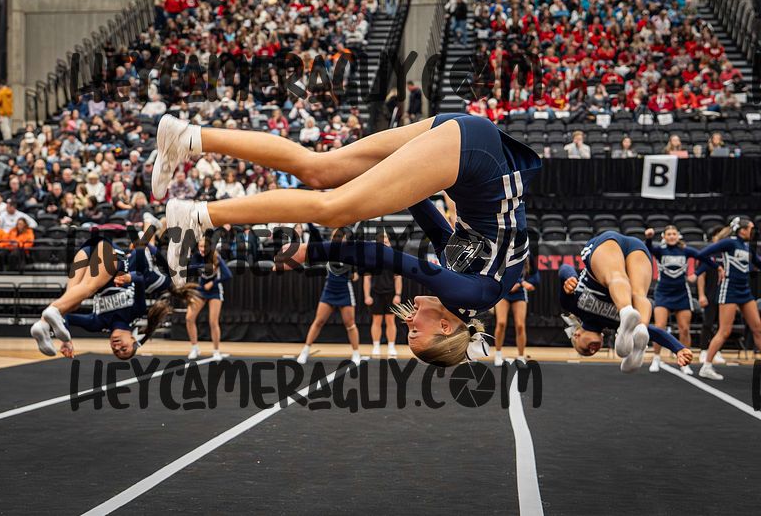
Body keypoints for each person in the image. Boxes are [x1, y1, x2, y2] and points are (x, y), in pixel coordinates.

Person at [151, 111, 542, 367]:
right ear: (444, 328)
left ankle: (188, 137)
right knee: (334, 209)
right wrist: (313, 251)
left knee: (320, 169)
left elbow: (432, 220)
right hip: (476, 158)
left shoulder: (469, 287)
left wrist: (397, 179)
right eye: (415, 331)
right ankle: (198, 217)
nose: (409, 323)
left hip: (471, 145)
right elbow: (385, 257)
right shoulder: (473, 295)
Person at [29, 233, 196, 359]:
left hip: (86, 253)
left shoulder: (98, 323)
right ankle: (50, 313)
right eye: (124, 349)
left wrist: (66, 340)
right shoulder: (136, 311)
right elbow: (139, 279)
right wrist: (130, 277)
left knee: (71, 300)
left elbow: (69, 319)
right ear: (133, 339)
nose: (117, 348)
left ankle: (42, 325)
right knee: (88, 288)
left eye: (116, 351)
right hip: (111, 257)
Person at [558, 231, 692, 372]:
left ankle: (627, 311)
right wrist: (679, 348)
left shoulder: (572, 306)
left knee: (615, 276)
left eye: (585, 350)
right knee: (639, 294)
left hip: (605, 246)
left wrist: (570, 277)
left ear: (576, 335)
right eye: (592, 353)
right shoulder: (616, 324)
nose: (592, 351)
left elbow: (564, 268)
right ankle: (640, 329)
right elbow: (656, 332)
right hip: (637, 248)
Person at [695, 217, 761, 380]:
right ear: (742, 230)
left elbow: (758, 263)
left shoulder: (747, 246)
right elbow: (702, 254)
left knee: (758, 328)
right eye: (751, 229)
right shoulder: (730, 243)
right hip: (729, 289)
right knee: (725, 331)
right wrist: (717, 267)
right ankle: (707, 366)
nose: (753, 232)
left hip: (744, 290)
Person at [644, 226, 712, 374]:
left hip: (681, 293)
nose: (672, 236)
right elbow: (648, 248)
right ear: (664, 236)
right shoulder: (660, 250)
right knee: (659, 327)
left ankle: (684, 361)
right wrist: (649, 237)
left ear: (678, 236)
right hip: (663, 292)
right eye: (668, 234)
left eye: (674, 234)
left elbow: (706, 260)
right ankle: (656, 357)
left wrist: (697, 273)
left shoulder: (686, 251)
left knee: (684, 328)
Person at [297, 229, 362, 366]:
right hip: (330, 289)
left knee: (350, 324)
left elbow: (356, 276)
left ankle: (356, 353)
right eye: (335, 237)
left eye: (341, 237)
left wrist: (351, 275)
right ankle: (305, 350)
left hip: (344, 289)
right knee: (319, 321)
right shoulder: (328, 250)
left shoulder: (351, 253)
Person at [185, 237, 232, 361]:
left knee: (213, 321)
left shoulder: (216, 257)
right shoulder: (197, 256)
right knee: (189, 318)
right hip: (201, 289)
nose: (202, 249)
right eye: (200, 246)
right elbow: (191, 268)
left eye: (204, 247)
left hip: (215, 290)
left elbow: (228, 275)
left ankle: (216, 351)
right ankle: (195, 347)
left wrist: (213, 283)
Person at [492, 256, 539, 366]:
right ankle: (498, 354)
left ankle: (521, 356)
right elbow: (496, 270)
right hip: (504, 290)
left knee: (520, 326)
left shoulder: (526, 253)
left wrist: (522, 283)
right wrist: (508, 284)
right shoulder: (503, 250)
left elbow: (535, 276)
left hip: (519, 293)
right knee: (501, 323)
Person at [363, 233, 402, 358]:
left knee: (391, 320)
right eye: (382, 242)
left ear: (389, 243)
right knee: (377, 320)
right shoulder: (371, 260)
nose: (384, 244)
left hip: (390, 293)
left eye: (386, 241)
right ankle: (376, 346)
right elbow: (367, 279)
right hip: (376, 293)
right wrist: (367, 296)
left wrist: (398, 294)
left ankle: (391, 346)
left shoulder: (394, 259)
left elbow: (398, 278)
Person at [695, 227, 726, 365]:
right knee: (708, 323)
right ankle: (703, 350)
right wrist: (701, 295)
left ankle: (716, 351)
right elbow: (701, 275)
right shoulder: (709, 253)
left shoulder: (727, 254)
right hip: (710, 292)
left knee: (721, 325)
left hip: (725, 294)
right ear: (713, 238)